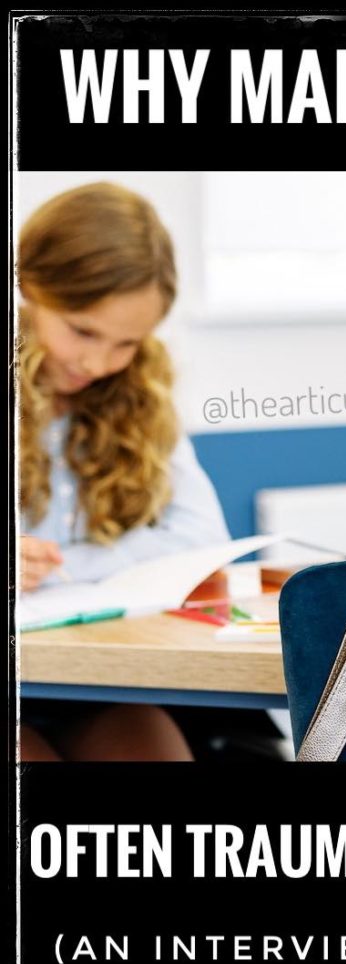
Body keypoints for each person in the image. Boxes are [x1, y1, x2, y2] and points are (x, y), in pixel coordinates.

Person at [16, 181, 232, 761]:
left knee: (150, 749)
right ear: (28, 289)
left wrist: (60, 570)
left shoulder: (140, 394)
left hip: (94, 670)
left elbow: (202, 541)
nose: (97, 363)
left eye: (126, 343)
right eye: (82, 330)